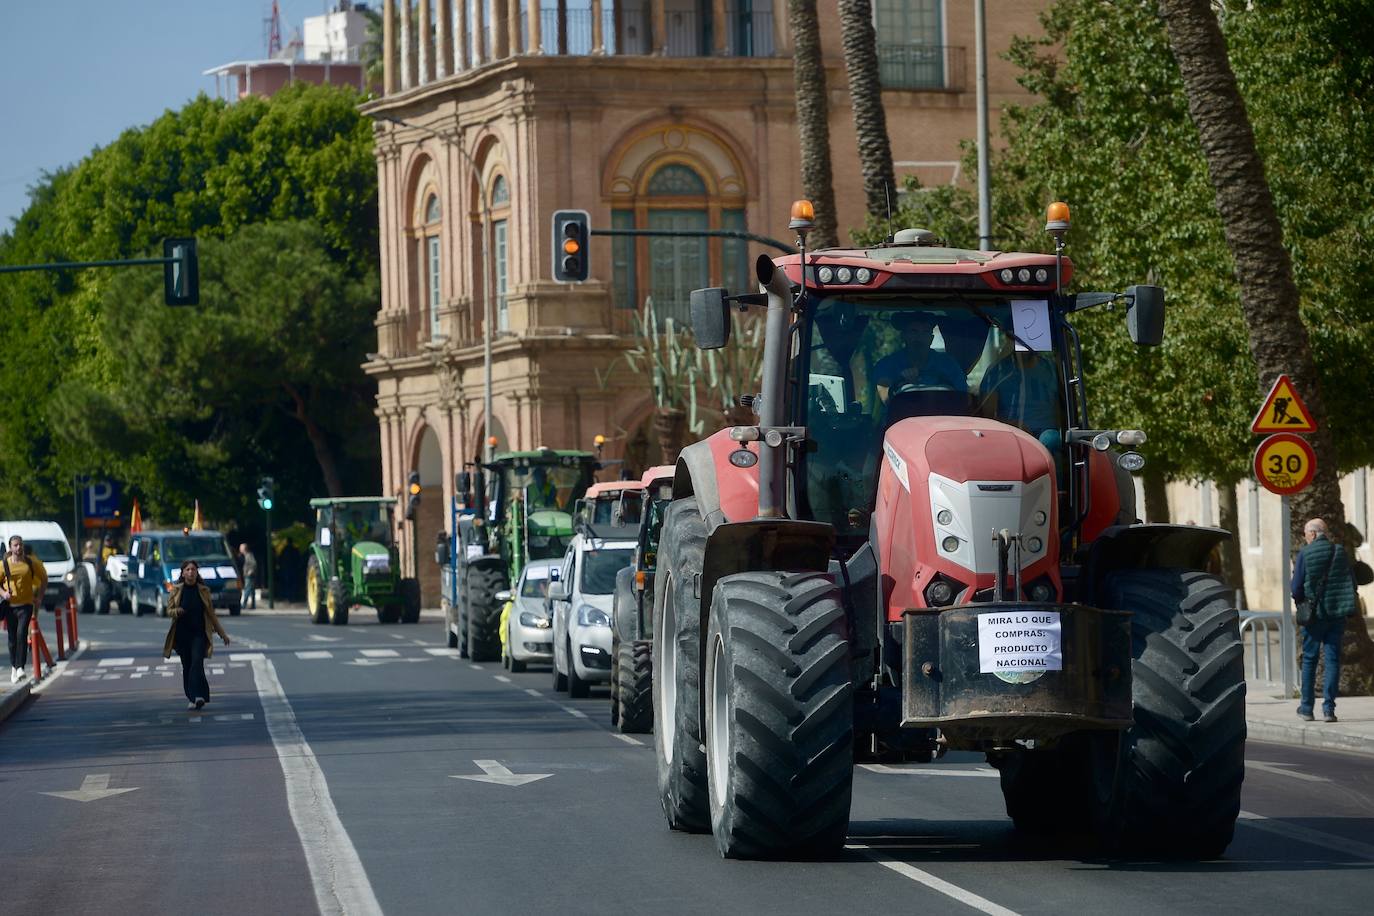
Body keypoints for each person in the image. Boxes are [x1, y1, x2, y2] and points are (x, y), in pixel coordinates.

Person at [1292, 518, 1358, 723]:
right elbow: (1352, 582)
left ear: (1312, 534)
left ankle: (1306, 708)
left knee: (1310, 660)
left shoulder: (1305, 553)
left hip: (1314, 617)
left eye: (1305, 534)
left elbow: (1296, 587)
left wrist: (1301, 602)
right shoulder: (1340, 552)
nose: (1305, 538)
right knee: (1332, 661)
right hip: (1336, 616)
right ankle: (1329, 709)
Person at [161, 560, 230, 710]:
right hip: (182, 635)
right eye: (188, 570)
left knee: (197, 663)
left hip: (199, 633)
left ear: (197, 572)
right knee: (187, 666)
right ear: (183, 573)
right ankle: (192, 697)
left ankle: (199, 695)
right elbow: (169, 610)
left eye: (193, 569)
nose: (191, 572)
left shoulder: (203, 591)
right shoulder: (177, 590)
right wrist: (176, 611)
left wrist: (222, 634)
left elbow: (212, 615)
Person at [872, 313, 967, 403]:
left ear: (931, 338)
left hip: (944, 418)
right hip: (897, 419)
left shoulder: (948, 365)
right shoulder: (887, 365)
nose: (919, 337)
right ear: (903, 336)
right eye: (914, 331)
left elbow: (961, 400)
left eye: (925, 332)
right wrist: (904, 386)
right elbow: (886, 401)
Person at [1, 535, 47, 684]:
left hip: (26, 605)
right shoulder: (4, 565)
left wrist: (39, 597)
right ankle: (14, 668)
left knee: (22, 634)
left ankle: (20, 667)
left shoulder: (30, 562)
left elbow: (44, 578)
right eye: (15, 545)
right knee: (12, 639)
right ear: (10, 547)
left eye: (20, 545)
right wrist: (4, 593)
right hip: (10, 606)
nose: (18, 548)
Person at [239, 543, 258, 610]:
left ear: (244, 549)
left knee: (247, 589)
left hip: (249, 575)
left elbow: (254, 563)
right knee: (252, 590)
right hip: (248, 575)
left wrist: (250, 571)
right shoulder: (247, 555)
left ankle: (244, 604)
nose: (240, 549)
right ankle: (253, 605)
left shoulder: (248, 555)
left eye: (241, 548)